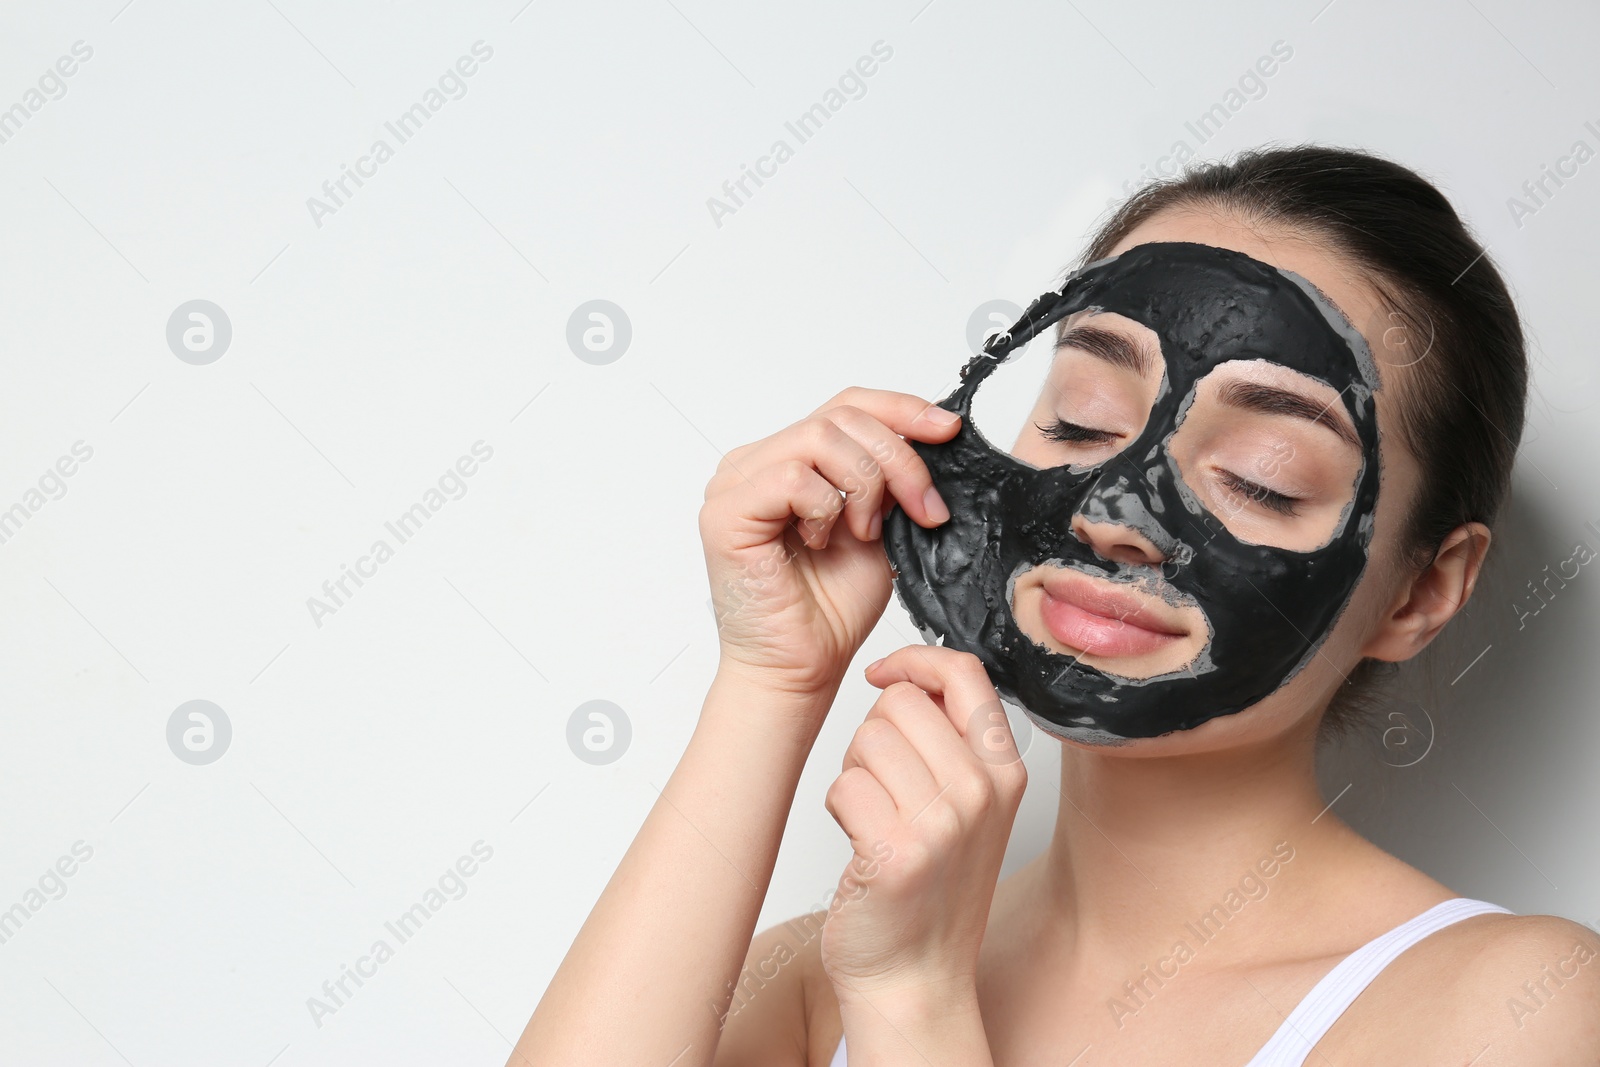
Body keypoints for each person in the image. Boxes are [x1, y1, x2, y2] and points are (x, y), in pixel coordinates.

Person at [512, 145, 1600, 1065]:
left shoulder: (1516, 1007)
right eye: (1079, 420)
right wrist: (770, 678)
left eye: (1261, 476)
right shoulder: (816, 971)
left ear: (1418, 591)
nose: (1111, 509)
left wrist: (917, 1006)